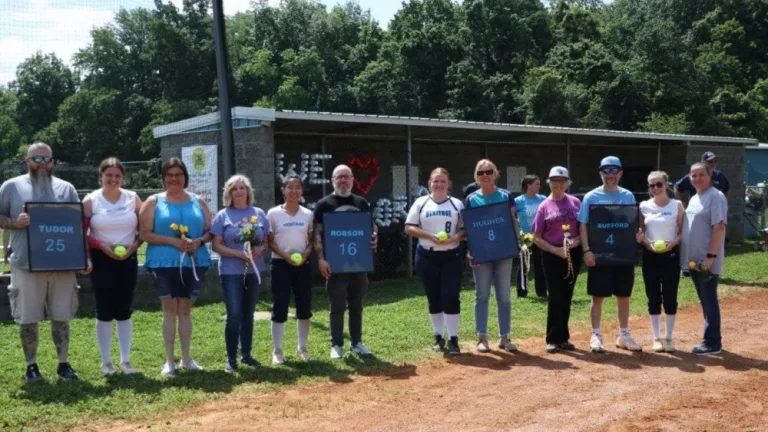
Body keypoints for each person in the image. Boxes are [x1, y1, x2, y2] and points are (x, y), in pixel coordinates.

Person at [0, 142, 90, 383]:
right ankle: (31, 367)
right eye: (36, 159)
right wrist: (14, 222)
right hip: (26, 263)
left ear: (53, 162)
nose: (42, 164)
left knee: (61, 316)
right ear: (27, 160)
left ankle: (63, 364)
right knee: (28, 318)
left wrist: (84, 256)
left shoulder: (66, 188)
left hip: (62, 264)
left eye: (46, 159)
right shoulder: (11, 186)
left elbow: (76, 226)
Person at [139, 157, 212, 376]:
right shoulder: (153, 202)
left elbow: (210, 231)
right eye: (169, 175)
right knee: (170, 311)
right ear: (163, 178)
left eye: (178, 175)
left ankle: (187, 359)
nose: (174, 179)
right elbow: (144, 233)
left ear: (185, 177)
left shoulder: (199, 201)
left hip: (193, 262)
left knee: (186, 311)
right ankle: (169, 361)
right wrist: (174, 242)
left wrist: (198, 242)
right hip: (163, 264)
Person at [83, 157, 143, 375]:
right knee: (104, 310)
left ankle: (126, 361)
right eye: (109, 175)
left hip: (128, 258)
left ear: (123, 178)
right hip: (102, 260)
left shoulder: (133, 198)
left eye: (117, 175)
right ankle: (106, 362)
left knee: (124, 310)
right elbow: (83, 235)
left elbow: (144, 230)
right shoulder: (91, 200)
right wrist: (101, 247)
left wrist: (133, 247)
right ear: (101, 177)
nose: (113, 179)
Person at [313, 164, 378, 359]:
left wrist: (375, 235)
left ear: (352, 180)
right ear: (333, 181)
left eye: (346, 177)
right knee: (337, 306)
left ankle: (357, 343)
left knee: (357, 305)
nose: (343, 180)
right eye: (338, 177)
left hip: (358, 264)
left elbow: (371, 226)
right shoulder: (324, 204)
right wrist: (321, 259)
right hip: (335, 265)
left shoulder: (361, 202)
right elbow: (316, 233)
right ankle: (337, 344)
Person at [578, 156, 642, 353]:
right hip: (599, 255)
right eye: (606, 171)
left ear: (620, 173)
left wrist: (638, 234)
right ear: (601, 173)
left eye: (614, 171)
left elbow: (632, 223)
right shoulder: (591, 197)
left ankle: (624, 335)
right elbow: (583, 225)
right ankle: (596, 335)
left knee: (623, 296)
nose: (610, 175)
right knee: (598, 297)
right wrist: (587, 250)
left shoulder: (628, 196)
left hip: (623, 254)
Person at [211, 174, 268, 372]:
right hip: (230, 272)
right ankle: (231, 358)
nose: (239, 191)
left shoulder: (259, 213)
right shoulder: (222, 215)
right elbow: (216, 245)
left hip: (254, 270)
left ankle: (246, 354)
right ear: (229, 193)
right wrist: (238, 254)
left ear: (248, 191)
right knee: (234, 314)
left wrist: (260, 249)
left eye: (242, 188)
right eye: (234, 189)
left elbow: (265, 240)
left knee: (248, 314)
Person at [405, 168, 466, 355]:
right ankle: (439, 337)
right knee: (433, 297)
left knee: (450, 296)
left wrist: (453, 239)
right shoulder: (421, 203)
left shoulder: (457, 204)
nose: (439, 185)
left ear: (449, 184)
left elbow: (465, 231)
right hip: (426, 256)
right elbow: (409, 227)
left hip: (451, 256)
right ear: (429, 183)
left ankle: (453, 339)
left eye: (443, 181)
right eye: (435, 181)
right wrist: (429, 236)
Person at [465, 159, 521, 353]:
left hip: (504, 252)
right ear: (476, 177)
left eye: (489, 171)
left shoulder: (506, 196)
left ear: (495, 174)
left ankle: (505, 338)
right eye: (481, 173)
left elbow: (514, 221)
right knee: (481, 296)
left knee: (504, 296)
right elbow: (469, 228)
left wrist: (518, 243)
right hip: (483, 254)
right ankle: (482, 338)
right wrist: (470, 250)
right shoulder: (471, 199)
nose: (485, 175)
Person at [532, 166, 583, 353]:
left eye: (561, 180)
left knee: (567, 296)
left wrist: (577, 241)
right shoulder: (544, 206)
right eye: (554, 180)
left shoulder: (576, 202)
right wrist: (555, 250)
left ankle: (564, 338)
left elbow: (583, 228)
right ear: (549, 183)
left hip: (573, 253)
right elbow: (536, 237)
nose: (558, 184)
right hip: (552, 255)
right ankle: (553, 338)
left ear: (567, 182)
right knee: (555, 296)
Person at [680, 162, 727, 355]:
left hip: (706, 260)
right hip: (694, 260)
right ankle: (710, 338)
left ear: (710, 176)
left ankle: (712, 342)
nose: (697, 178)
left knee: (709, 299)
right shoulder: (695, 198)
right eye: (693, 175)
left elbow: (719, 227)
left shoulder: (716, 197)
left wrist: (711, 256)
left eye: (701, 175)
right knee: (704, 299)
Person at [267, 175, 314, 364]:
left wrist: (305, 256)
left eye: (297, 187)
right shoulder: (272, 214)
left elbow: (310, 242)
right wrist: (285, 256)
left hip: (302, 266)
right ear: (283, 191)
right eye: (290, 187)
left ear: (301, 191)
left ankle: (302, 348)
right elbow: (269, 241)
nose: (294, 191)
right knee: (280, 307)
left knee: (304, 307)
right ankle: (277, 351)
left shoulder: (308, 214)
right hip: (280, 264)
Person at [636, 171, 684, 353]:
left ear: (666, 185)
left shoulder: (677, 205)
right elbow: (641, 231)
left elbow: (681, 232)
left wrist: (673, 243)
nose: (655, 188)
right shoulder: (643, 206)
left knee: (670, 296)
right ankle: (656, 337)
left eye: (658, 184)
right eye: (651, 185)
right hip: (650, 256)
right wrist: (647, 243)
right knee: (653, 297)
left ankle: (669, 337)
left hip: (671, 256)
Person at [514, 175, 546, 299]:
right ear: (529, 185)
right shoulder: (518, 201)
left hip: (539, 237)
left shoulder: (543, 199)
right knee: (524, 265)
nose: (539, 186)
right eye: (537, 184)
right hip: (525, 238)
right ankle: (522, 292)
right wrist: (518, 232)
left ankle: (542, 293)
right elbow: (511, 217)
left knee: (540, 264)